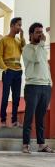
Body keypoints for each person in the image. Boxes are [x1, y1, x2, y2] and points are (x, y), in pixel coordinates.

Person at [22, 23, 53, 154]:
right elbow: (36, 59)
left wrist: (50, 82)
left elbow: (45, 66)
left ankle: (41, 144)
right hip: (32, 86)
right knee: (29, 116)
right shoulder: (27, 48)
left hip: (45, 87)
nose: (40, 34)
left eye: (41, 32)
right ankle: (26, 144)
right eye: (37, 32)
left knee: (41, 118)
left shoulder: (42, 49)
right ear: (31, 34)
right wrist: (41, 44)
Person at [0, 17, 26, 127]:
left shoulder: (18, 41)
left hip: (18, 72)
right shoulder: (3, 40)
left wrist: (22, 37)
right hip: (8, 71)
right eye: (18, 25)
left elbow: (24, 50)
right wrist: (4, 68)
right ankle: (3, 120)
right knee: (5, 96)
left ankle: (14, 121)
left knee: (16, 97)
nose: (20, 27)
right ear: (12, 26)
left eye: (20, 25)